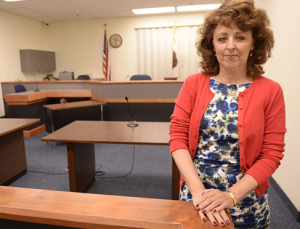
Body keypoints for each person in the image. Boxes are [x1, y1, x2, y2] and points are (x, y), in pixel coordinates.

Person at [169, 0, 286, 228]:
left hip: (245, 200)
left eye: (240, 37)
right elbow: (177, 137)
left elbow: (272, 154)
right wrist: (198, 191)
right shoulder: (193, 84)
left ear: (253, 43)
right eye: (222, 38)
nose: (230, 45)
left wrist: (231, 196)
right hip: (197, 197)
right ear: (212, 45)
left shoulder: (271, 90)